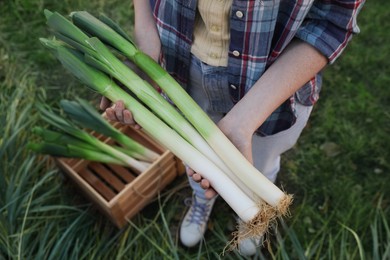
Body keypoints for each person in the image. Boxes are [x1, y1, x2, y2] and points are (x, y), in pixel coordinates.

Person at [101, 0, 365, 256]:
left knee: (262, 160)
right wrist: (146, 39)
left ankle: (254, 211)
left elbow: (332, 19)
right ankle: (202, 202)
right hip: (179, 64)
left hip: (274, 81)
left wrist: (243, 121)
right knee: (197, 161)